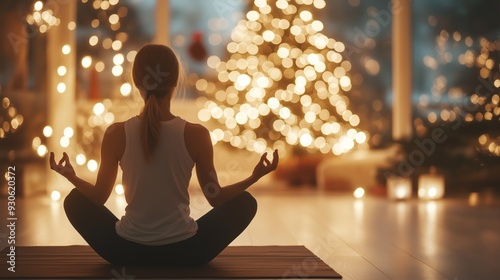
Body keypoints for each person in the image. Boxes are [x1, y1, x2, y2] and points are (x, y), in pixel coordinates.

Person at [50, 44, 279, 266]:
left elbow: (99, 197)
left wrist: (72, 176)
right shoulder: (196, 134)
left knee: (74, 201)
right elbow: (216, 198)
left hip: (125, 252)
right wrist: (254, 177)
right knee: (246, 203)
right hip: (188, 253)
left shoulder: (116, 133)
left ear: (137, 82)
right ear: (175, 82)